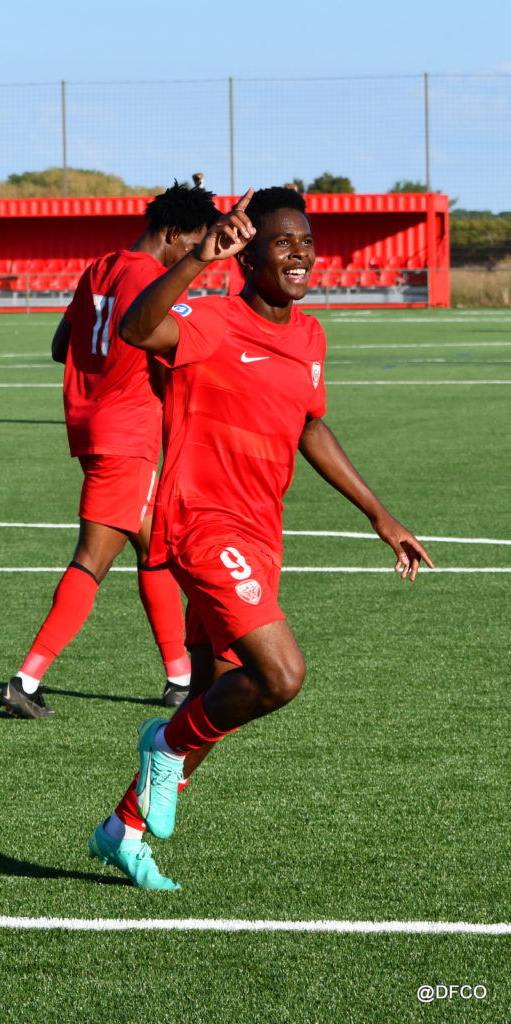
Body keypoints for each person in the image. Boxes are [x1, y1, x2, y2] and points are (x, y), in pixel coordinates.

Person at [87, 186, 434, 889]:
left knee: (221, 695)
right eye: (281, 242)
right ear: (248, 257)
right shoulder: (212, 320)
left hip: (259, 532)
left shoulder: (308, 335)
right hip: (200, 522)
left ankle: (122, 828)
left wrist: (379, 514)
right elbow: (135, 330)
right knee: (280, 676)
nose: (299, 253)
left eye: (305, 241)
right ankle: (162, 746)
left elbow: (308, 423)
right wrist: (197, 262)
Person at [0, 182, 219, 719]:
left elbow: (60, 347)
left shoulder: (99, 268)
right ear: (171, 234)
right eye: (191, 245)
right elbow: (164, 344)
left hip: (93, 426)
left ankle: (179, 679)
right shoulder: (155, 282)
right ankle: (26, 681)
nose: (194, 257)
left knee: (155, 550)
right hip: (130, 435)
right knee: (93, 560)